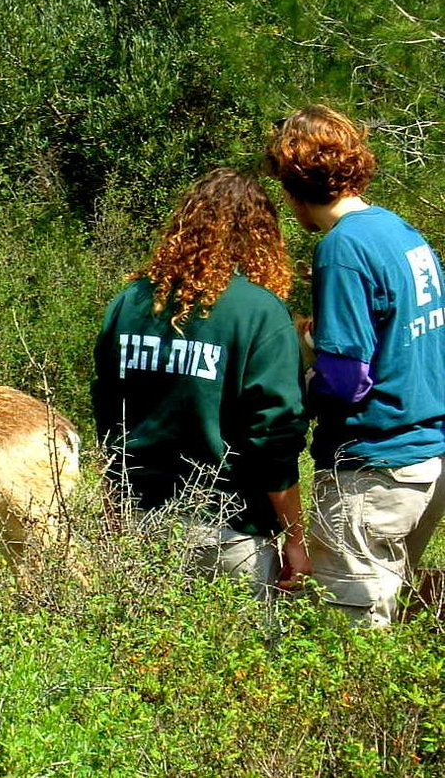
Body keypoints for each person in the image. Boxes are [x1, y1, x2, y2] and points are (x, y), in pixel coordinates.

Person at [91, 168, 310, 598]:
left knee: (137, 656)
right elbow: (274, 434)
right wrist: (296, 538)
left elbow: (107, 410)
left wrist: (112, 501)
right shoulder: (261, 313)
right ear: (261, 237)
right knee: (238, 660)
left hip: (140, 521)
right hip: (228, 528)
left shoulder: (129, 303)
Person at [265, 105, 445, 625]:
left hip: (373, 468)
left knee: (351, 637)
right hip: (425, 462)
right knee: (387, 619)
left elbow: (347, 380)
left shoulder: (342, 249)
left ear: (293, 182)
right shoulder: (402, 233)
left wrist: (296, 391)